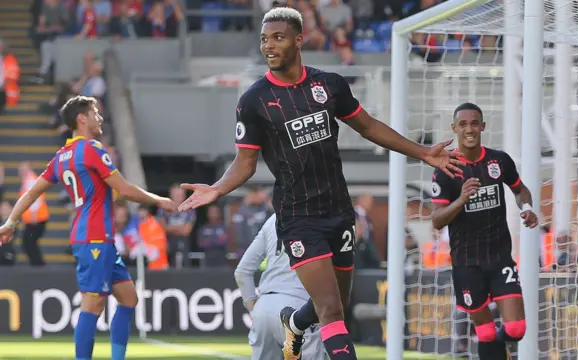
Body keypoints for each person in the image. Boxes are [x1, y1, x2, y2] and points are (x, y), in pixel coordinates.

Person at [177, 7, 464, 360]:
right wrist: (218, 188)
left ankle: (295, 325)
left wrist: (423, 153)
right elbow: (245, 162)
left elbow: (369, 127)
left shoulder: (328, 85)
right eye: (264, 39)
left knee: (337, 304)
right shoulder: (254, 101)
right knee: (330, 309)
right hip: (298, 217)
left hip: (339, 212)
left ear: (299, 40)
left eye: (278, 38)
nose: (269, 46)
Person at [0, 95, 176, 360]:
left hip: (95, 238)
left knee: (128, 298)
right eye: (95, 112)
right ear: (82, 119)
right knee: (93, 304)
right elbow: (125, 190)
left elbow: (31, 193)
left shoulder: (60, 157)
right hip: (93, 238)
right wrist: (159, 200)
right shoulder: (92, 149)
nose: (100, 117)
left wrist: (10, 222)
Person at [430, 102, 539, 360]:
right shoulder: (446, 170)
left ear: (483, 126)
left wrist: (526, 206)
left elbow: (519, 188)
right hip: (467, 263)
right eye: (464, 124)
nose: (470, 129)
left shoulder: (498, 160)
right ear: (454, 128)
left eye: (474, 123)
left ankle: (500, 352)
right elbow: (436, 221)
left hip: (499, 257)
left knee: (516, 328)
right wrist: (461, 200)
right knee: (487, 334)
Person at [235, 213, 325, 360]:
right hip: (300, 309)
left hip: (265, 307)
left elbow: (242, 271)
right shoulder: (322, 217)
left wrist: (254, 307)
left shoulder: (273, 219)